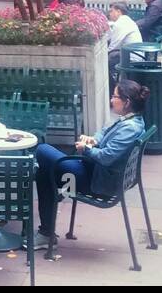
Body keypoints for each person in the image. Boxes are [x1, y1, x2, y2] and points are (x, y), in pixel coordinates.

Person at [34, 79, 149, 242]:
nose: (111, 99)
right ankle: (47, 230)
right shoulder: (130, 120)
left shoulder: (130, 128)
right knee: (45, 174)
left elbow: (106, 157)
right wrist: (92, 140)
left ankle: (46, 232)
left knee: (42, 151)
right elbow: (104, 131)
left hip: (98, 182)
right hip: (93, 172)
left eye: (114, 96)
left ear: (127, 102)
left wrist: (86, 148)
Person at [106, 2, 142, 80]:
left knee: (105, 62)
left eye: (111, 11)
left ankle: (112, 87)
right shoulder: (126, 20)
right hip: (137, 55)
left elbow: (113, 46)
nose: (110, 14)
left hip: (131, 58)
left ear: (118, 12)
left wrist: (102, 55)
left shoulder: (120, 24)